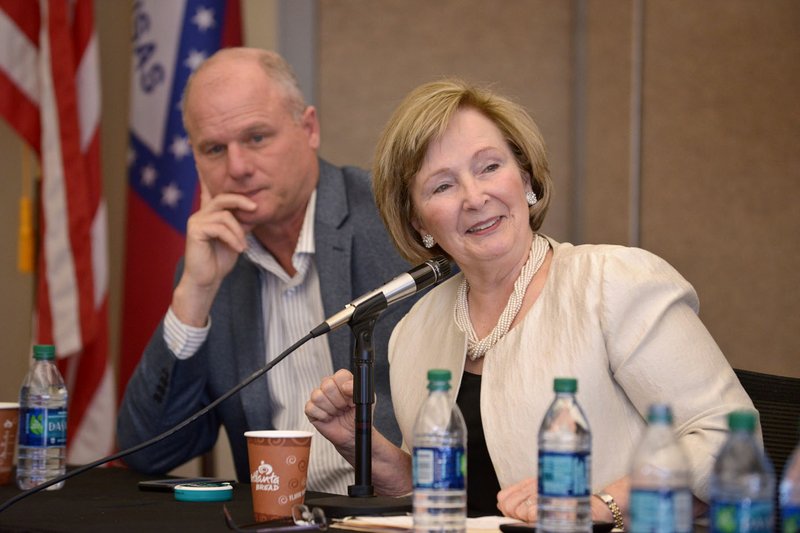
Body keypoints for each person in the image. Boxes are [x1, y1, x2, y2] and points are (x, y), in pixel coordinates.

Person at [304, 79, 757, 522]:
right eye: (442, 186)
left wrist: (602, 502)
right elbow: (444, 494)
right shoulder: (414, 330)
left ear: (525, 178)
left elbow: (727, 440)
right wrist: (361, 443)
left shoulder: (615, 283)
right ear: (418, 221)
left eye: (489, 167)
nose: (475, 196)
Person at [117, 48, 416, 494]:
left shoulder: (394, 223)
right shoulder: (211, 266)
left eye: (256, 138)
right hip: (273, 519)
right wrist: (194, 294)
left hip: (391, 515)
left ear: (309, 129)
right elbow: (149, 451)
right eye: (214, 149)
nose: (237, 168)